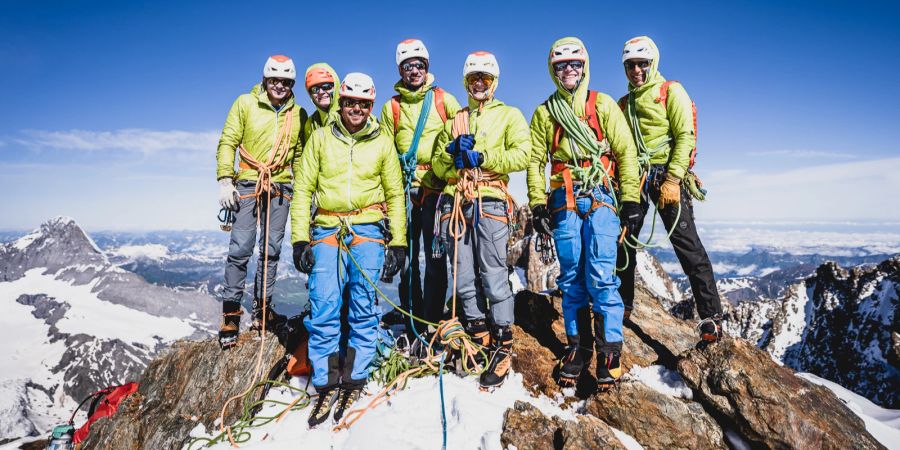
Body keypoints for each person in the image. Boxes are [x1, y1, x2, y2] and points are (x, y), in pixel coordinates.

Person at [290, 72, 407, 427]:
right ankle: (325, 382)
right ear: (341, 104)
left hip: (368, 229)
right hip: (327, 228)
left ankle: (353, 378)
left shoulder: (382, 142)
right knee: (324, 305)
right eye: (350, 103)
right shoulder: (321, 139)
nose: (356, 109)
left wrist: (398, 242)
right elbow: (302, 190)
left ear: (371, 106)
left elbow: (395, 195)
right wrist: (299, 239)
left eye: (363, 104)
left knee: (362, 307)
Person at [526, 38, 640, 388]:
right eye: (562, 66)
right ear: (553, 70)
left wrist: (631, 199)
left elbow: (625, 151)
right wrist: (536, 202)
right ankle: (578, 347)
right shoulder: (546, 113)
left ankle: (609, 349)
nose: (569, 71)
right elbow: (534, 159)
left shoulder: (602, 105)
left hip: (602, 193)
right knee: (573, 273)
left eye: (575, 64)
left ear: (584, 66)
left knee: (602, 272)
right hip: (564, 196)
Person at [616, 36, 724, 342]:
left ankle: (711, 317)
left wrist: (674, 179)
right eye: (630, 65)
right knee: (623, 239)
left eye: (642, 64)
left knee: (687, 244)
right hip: (635, 177)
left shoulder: (670, 91)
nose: (636, 70)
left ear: (653, 64)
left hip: (666, 175)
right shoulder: (626, 104)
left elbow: (684, 136)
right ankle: (623, 304)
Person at [433, 51, 530, 391]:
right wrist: (451, 155)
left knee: (492, 274)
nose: (479, 84)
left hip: (489, 199)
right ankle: (478, 333)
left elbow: (523, 153)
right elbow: (437, 167)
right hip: (457, 201)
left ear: (494, 83)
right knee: (460, 276)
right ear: (466, 82)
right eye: (474, 79)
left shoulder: (510, 115)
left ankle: (503, 345)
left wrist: (484, 157)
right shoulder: (454, 121)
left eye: (484, 79)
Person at [216, 55, 308, 349]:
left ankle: (262, 310)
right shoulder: (245, 103)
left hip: (280, 185)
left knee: (270, 251)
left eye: (285, 82)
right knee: (240, 249)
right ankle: (231, 315)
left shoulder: (298, 115)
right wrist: (224, 179)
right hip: (247, 182)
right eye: (274, 81)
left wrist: (306, 188)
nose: (279, 86)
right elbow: (228, 140)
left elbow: (299, 156)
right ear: (265, 81)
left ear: (291, 84)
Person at [379, 39, 461, 335]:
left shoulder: (444, 100)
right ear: (400, 70)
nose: (414, 71)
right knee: (406, 258)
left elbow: (459, 134)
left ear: (427, 67)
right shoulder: (392, 108)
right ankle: (411, 314)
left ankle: (431, 317)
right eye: (408, 66)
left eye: (420, 65)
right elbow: (385, 149)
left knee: (435, 258)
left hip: (436, 189)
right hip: (403, 190)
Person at [303, 63, 340, 141]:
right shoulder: (311, 124)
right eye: (315, 89)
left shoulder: (351, 116)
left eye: (326, 87)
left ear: (335, 87)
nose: (321, 92)